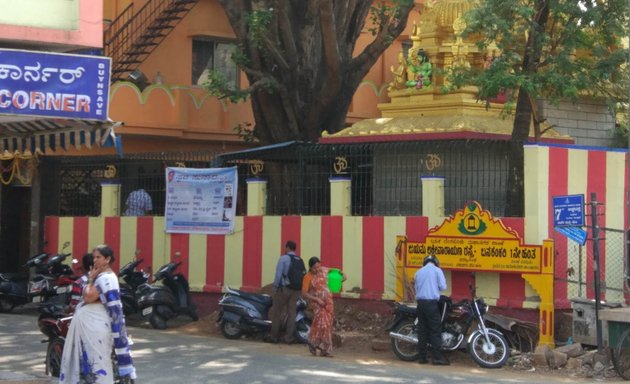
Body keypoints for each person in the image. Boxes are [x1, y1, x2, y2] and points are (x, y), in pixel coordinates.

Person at [59, 245, 136, 383]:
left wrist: (90, 279)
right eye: (94, 257)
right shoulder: (103, 276)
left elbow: (88, 297)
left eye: (98, 257)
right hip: (91, 326)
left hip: (96, 327)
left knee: (98, 364)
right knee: (91, 363)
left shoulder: (105, 278)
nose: (95, 260)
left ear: (107, 259)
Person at [301, 256, 346, 357]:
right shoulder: (307, 277)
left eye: (318, 267)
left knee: (328, 325)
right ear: (310, 268)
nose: (317, 270)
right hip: (317, 304)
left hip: (328, 303)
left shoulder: (324, 271)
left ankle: (319, 346)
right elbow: (304, 293)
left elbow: (338, 275)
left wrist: (342, 277)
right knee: (322, 324)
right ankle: (319, 345)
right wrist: (316, 299)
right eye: (314, 268)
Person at [265, 240, 303, 344]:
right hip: (296, 291)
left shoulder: (283, 258)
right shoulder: (299, 260)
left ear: (287, 248)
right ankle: (288, 338)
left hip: (284, 289)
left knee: (277, 312)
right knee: (292, 314)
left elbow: (278, 275)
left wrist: (275, 287)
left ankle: (273, 336)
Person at [414, 254, 449, 366]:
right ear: (435, 262)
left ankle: (422, 358)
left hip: (420, 304)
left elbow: (417, 288)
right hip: (431, 304)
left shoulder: (418, 272)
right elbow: (443, 287)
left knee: (422, 331)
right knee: (435, 330)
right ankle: (437, 358)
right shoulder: (437, 271)